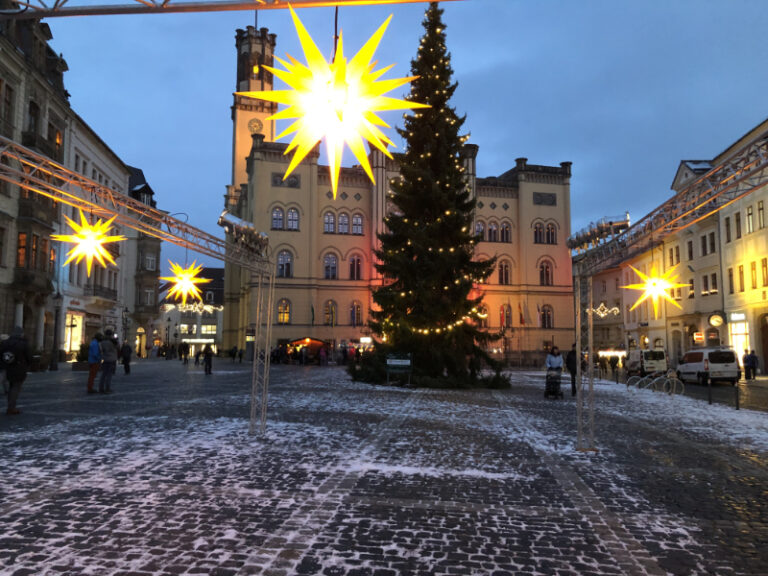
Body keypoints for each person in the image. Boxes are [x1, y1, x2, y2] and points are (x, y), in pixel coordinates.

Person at [1, 326, 31, 415]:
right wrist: (28, 365)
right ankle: (11, 408)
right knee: (16, 387)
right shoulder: (23, 344)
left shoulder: (5, 343)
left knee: (11, 386)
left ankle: (11, 406)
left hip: (7, 367)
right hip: (19, 368)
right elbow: (29, 357)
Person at [99, 329, 118, 394]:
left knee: (103, 374)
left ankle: (101, 388)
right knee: (109, 375)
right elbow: (117, 347)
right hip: (112, 359)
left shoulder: (102, 342)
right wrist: (115, 340)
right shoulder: (112, 341)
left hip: (105, 359)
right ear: (111, 334)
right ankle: (107, 388)